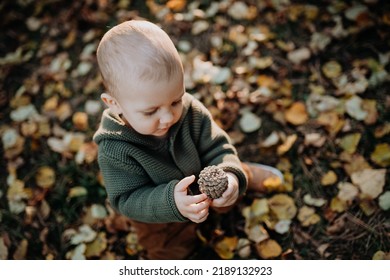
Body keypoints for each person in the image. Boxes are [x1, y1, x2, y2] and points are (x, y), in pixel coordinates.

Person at [93, 20, 283, 259]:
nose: (168, 116)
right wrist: (170, 202)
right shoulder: (115, 148)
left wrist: (230, 177)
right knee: (169, 252)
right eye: (151, 111)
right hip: (159, 220)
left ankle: (242, 175)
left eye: (175, 100)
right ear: (114, 104)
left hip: (208, 188)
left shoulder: (190, 112)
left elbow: (217, 147)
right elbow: (127, 199)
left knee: (230, 178)